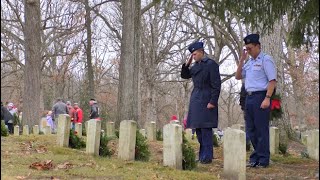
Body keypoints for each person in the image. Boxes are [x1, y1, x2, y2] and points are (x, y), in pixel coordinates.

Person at [235, 34, 277, 168]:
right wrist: (242, 60)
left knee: (261, 129)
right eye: (246, 49)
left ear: (258, 46)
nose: (248, 51)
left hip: (261, 96)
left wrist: (267, 98)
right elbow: (238, 76)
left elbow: (272, 81)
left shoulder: (266, 60)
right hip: (249, 97)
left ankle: (263, 159)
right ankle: (255, 157)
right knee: (251, 129)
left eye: (250, 48)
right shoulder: (249, 62)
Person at [181, 41, 221, 164]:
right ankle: (202, 155)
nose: (194, 56)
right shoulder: (195, 66)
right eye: (192, 55)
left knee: (206, 129)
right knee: (198, 129)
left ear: (201, 52)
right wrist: (187, 64)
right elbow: (184, 75)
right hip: (196, 98)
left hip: (207, 97)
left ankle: (207, 156)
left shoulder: (211, 64)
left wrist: (213, 101)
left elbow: (216, 84)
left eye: (195, 54)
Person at [239, 82, 251, 151]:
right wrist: (244, 108)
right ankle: (247, 145)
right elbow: (242, 97)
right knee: (248, 128)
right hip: (247, 108)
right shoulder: (245, 83)